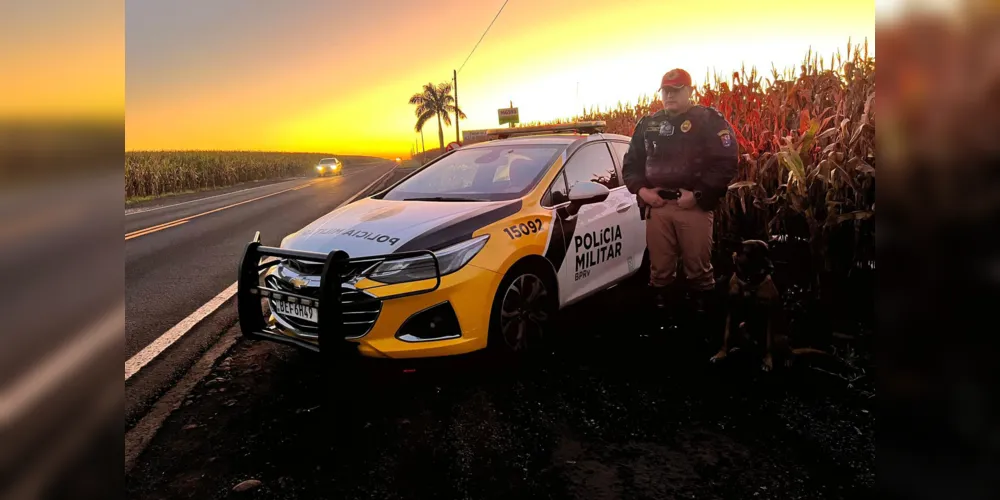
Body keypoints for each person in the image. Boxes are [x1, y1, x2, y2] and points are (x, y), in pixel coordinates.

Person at [622, 68, 739, 317]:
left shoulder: (708, 121)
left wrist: (697, 195)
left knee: (697, 268)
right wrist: (643, 191)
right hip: (658, 206)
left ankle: (702, 321)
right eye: (666, 91)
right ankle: (665, 320)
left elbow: (726, 162)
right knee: (660, 270)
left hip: (693, 206)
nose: (670, 95)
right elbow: (631, 164)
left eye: (676, 90)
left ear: (689, 91)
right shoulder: (648, 124)